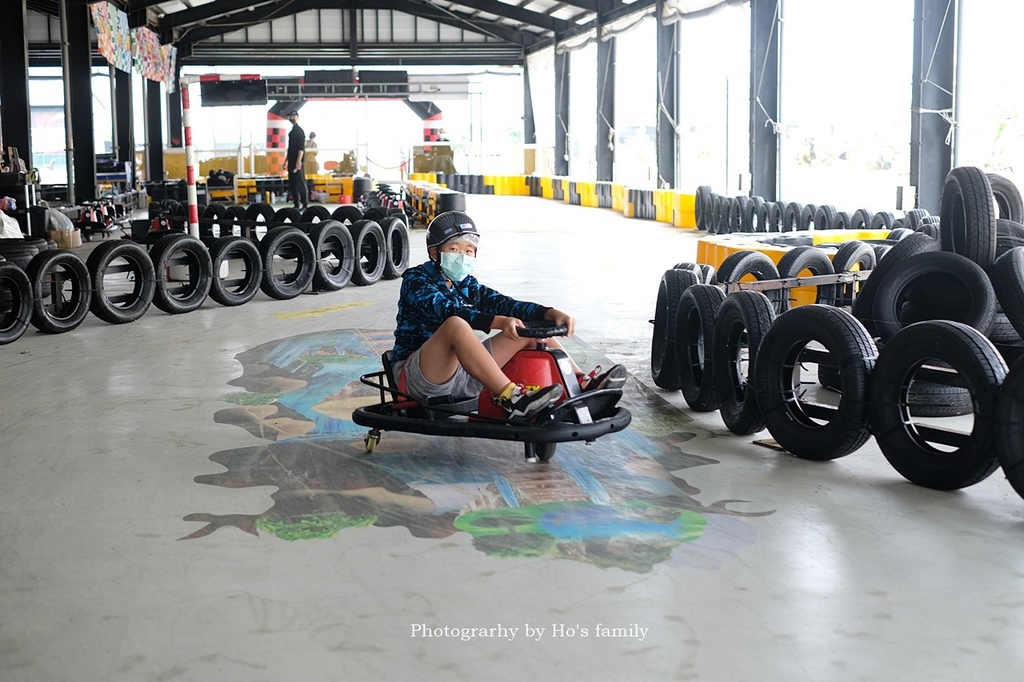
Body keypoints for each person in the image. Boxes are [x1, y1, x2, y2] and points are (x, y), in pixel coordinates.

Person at [391, 211, 626, 421]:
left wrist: (547, 313)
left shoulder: (467, 284)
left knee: (527, 331)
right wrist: (497, 322)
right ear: (435, 252)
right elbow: (449, 310)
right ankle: (512, 399)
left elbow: (504, 304)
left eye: (468, 250)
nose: (462, 256)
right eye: (454, 249)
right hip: (420, 376)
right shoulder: (416, 279)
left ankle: (582, 382)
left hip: (464, 370)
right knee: (456, 325)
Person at [286, 111, 308, 210]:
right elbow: (289, 148)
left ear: (297, 117)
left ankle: (304, 203)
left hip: (297, 161)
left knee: (300, 182)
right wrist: (286, 161)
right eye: (291, 116)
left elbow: (301, 148)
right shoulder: (291, 132)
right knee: (292, 183)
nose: (292, 118)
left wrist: (299, 161)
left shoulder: (299, 131)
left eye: (294, 116)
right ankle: (296, 203)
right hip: (291, 160)